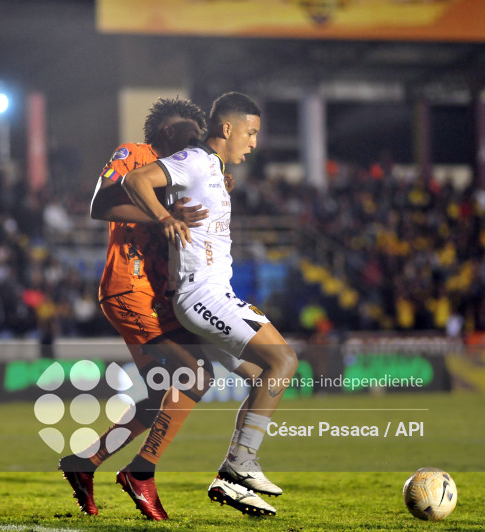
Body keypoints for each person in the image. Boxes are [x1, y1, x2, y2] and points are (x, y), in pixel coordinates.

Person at [59, 97, 273, 520]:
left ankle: (87, 462)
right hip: (130, 286)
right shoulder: (135, 154)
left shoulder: (192, 168)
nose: (196, 142)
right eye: (190, 135)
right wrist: (163, 215)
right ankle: (141, 473)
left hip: (164, 294)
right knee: (196, 376)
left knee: (167, 393)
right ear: (169, 131)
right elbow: (100, 205)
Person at [122, 91, 298, 509]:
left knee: (263, 376)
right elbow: (134, 180)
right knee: (284, 360)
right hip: (202, 296)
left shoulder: (213, 169)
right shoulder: (197, 161)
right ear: (227, 128)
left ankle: (227, 480)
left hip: (214, 295)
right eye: (250, 133)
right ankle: (240, 463)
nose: (254, 143)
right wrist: (165, 218)